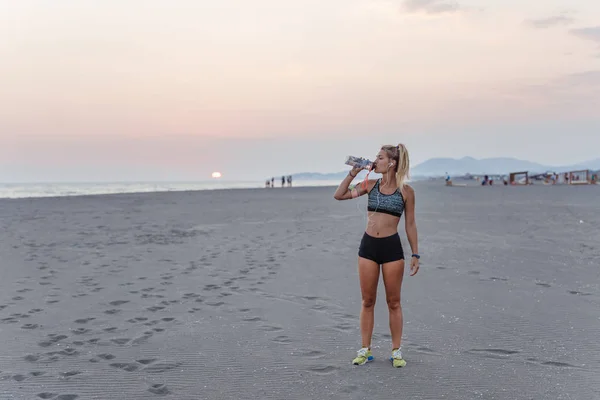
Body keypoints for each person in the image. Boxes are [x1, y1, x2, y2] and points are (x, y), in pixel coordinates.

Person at [333, 143, 419, 368]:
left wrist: (415, 253)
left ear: (391, 163)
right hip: (368, 248)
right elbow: (339, 195)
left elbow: (410, 225)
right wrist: (354, 171)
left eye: (380, 157)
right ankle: (365, 350)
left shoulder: (406, 192)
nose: (375, 161)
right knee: (368, 300)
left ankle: (396, 351)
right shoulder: (369, 185)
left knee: (393, 302)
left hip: (391, 249)